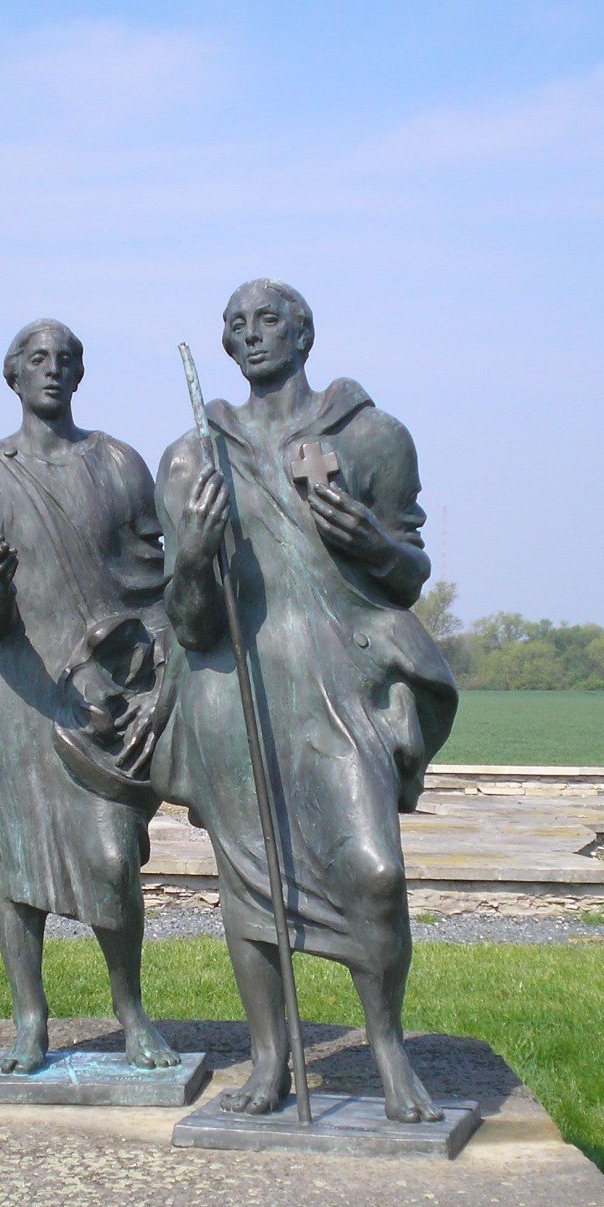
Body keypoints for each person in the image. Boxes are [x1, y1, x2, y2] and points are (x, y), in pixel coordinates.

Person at [152, 280, 458, 1120]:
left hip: (336, 680)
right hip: (236, 689)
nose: (251, 337)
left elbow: (410, 573)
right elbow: (188, 625)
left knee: (374, 868)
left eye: (268, 321)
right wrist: (192, 558)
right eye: (235, 326)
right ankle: (267, 1059)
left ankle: (387, 1049)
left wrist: (373, 541)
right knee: (251, 888)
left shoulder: (371, 436)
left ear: (304, 333)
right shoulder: (191, 457)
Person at [0, 319, 177, 1074]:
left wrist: (154, 663)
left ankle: (130, 1012)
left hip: (99, 696)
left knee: (111, 857)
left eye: (66, 360)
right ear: (13, 375)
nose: (53, 370)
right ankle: (30, 1022)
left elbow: (155, 585)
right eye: (38, 360)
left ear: (80, 374)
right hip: (14, 691)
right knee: (16, 870)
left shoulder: (120, 464)